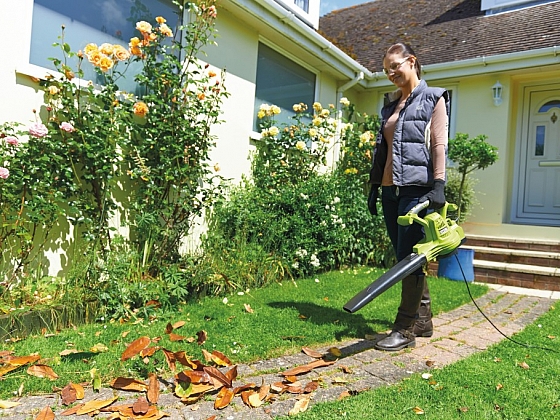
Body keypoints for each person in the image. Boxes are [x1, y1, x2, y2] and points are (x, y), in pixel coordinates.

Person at [367, 43, 449, 351]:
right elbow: (382, 150)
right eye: (386, 70)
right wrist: (375, 186)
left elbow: (439, 145)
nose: (390, 74)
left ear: (411, 61)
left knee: (410, 262)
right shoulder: (390, 104)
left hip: (417, 191)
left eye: (395, 67)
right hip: (391, 192)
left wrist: (438, 184)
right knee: (405, 259)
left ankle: (404, 328)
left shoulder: (433, 98)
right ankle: (423, 318)